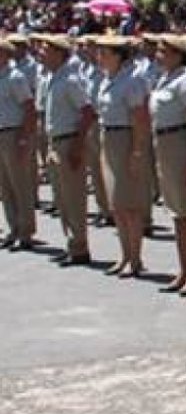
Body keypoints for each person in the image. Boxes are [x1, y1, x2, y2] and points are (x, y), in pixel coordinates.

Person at [149, 35, 186, 294]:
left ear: (177, 54)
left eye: (164, 51)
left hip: (180, 143)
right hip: (164, 144)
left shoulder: (185, 83)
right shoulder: (165, 79)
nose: (158, 54)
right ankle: (184, 270)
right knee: (177, 214)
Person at [94, 35, 152, 277]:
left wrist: (137, 151)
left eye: (105, 54)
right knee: (116, 204)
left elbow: (140, 118)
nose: (100, 58)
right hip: (109, 137)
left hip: (126, 139)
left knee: (129, 205)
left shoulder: (132, 81)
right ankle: (125, 254)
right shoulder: (107, 80)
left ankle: (135, 257)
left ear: (118, 56)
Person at [39, 34, 96, 265]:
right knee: (61, 198)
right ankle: (72, 244)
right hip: (55, 141)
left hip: (68, 141)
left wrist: (77, 145)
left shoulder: (70, 80)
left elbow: (88, 112)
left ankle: (80, 247)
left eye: (45, 50)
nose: (41, 54)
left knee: (73, 198)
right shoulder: (54, 78)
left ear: (58, 53)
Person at [0, 37, 37, 250]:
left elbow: (29, 108)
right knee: (5, 186)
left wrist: (24, 138)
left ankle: (25, 231)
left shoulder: (15, 77)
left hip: (13, 133)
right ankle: (13, 227)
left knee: (19, 184)